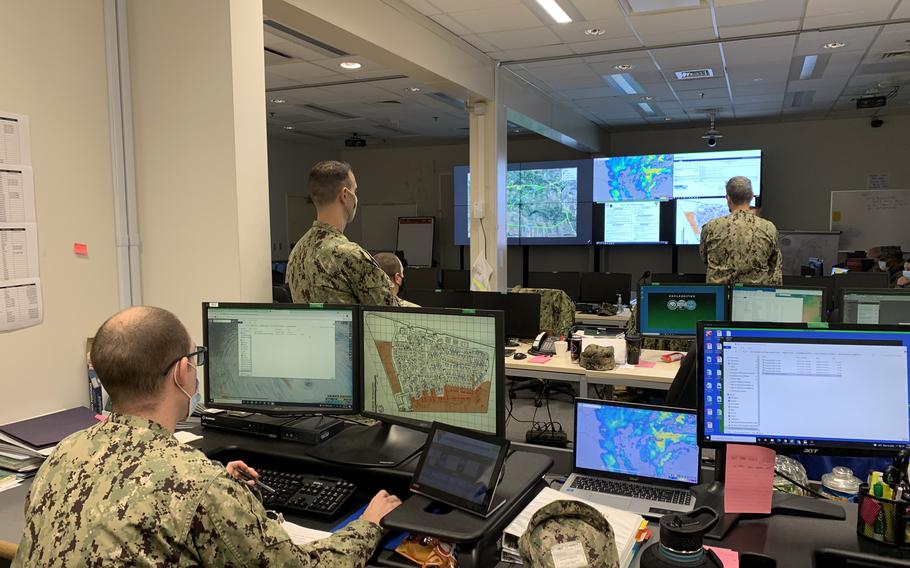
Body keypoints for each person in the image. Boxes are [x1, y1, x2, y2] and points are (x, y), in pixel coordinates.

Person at [13, 306, 401, 567]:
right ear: (183, 372)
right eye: (195, 359)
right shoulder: (200, 486)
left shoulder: (65, 453)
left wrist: (221, 493)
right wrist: (368, 525)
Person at [287, 160, 399, 306]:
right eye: (355, 191)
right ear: (345, 195)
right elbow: (389, 314)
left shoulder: (297, 251)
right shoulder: (350, 255)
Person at [700, 176, 782, 286]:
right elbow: (775, 266)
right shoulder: (768, 228)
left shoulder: (711, 227)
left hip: (720, 297)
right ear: (752, 197)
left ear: (728, 198)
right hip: (755, 297)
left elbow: (705, 258)